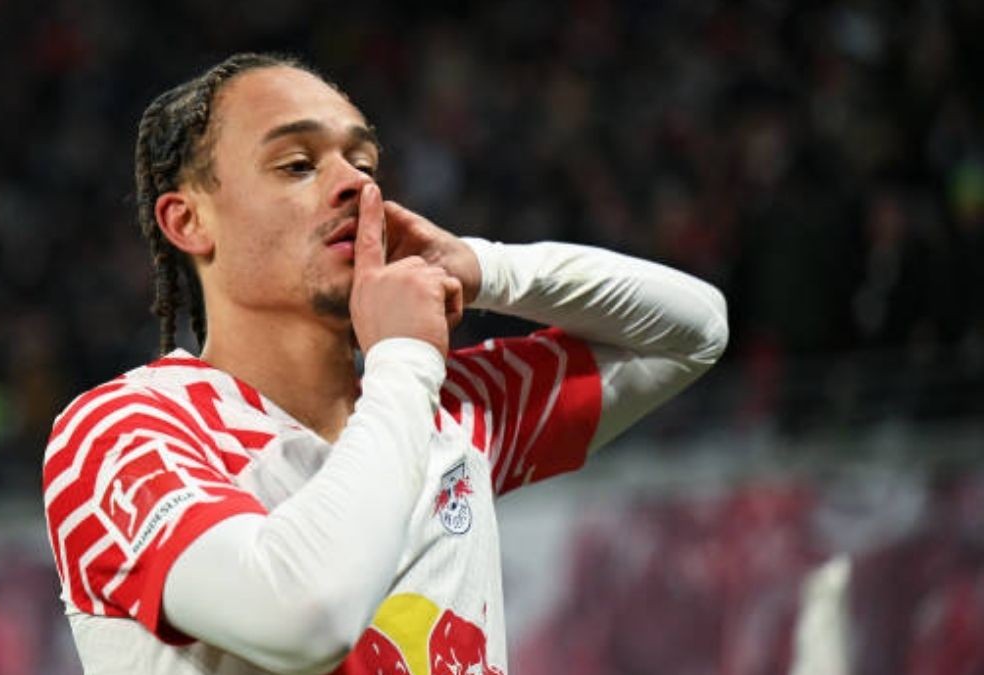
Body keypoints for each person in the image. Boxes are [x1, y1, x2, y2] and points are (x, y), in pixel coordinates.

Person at [42, 52, 728, 675]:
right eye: (298, 164)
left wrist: (484, 267)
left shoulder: (449, 411)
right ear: (188, 221)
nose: (355, 185)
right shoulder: (121, 433)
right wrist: (403, 358)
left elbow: (692, 332)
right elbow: (304, 620)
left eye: (364, 164)